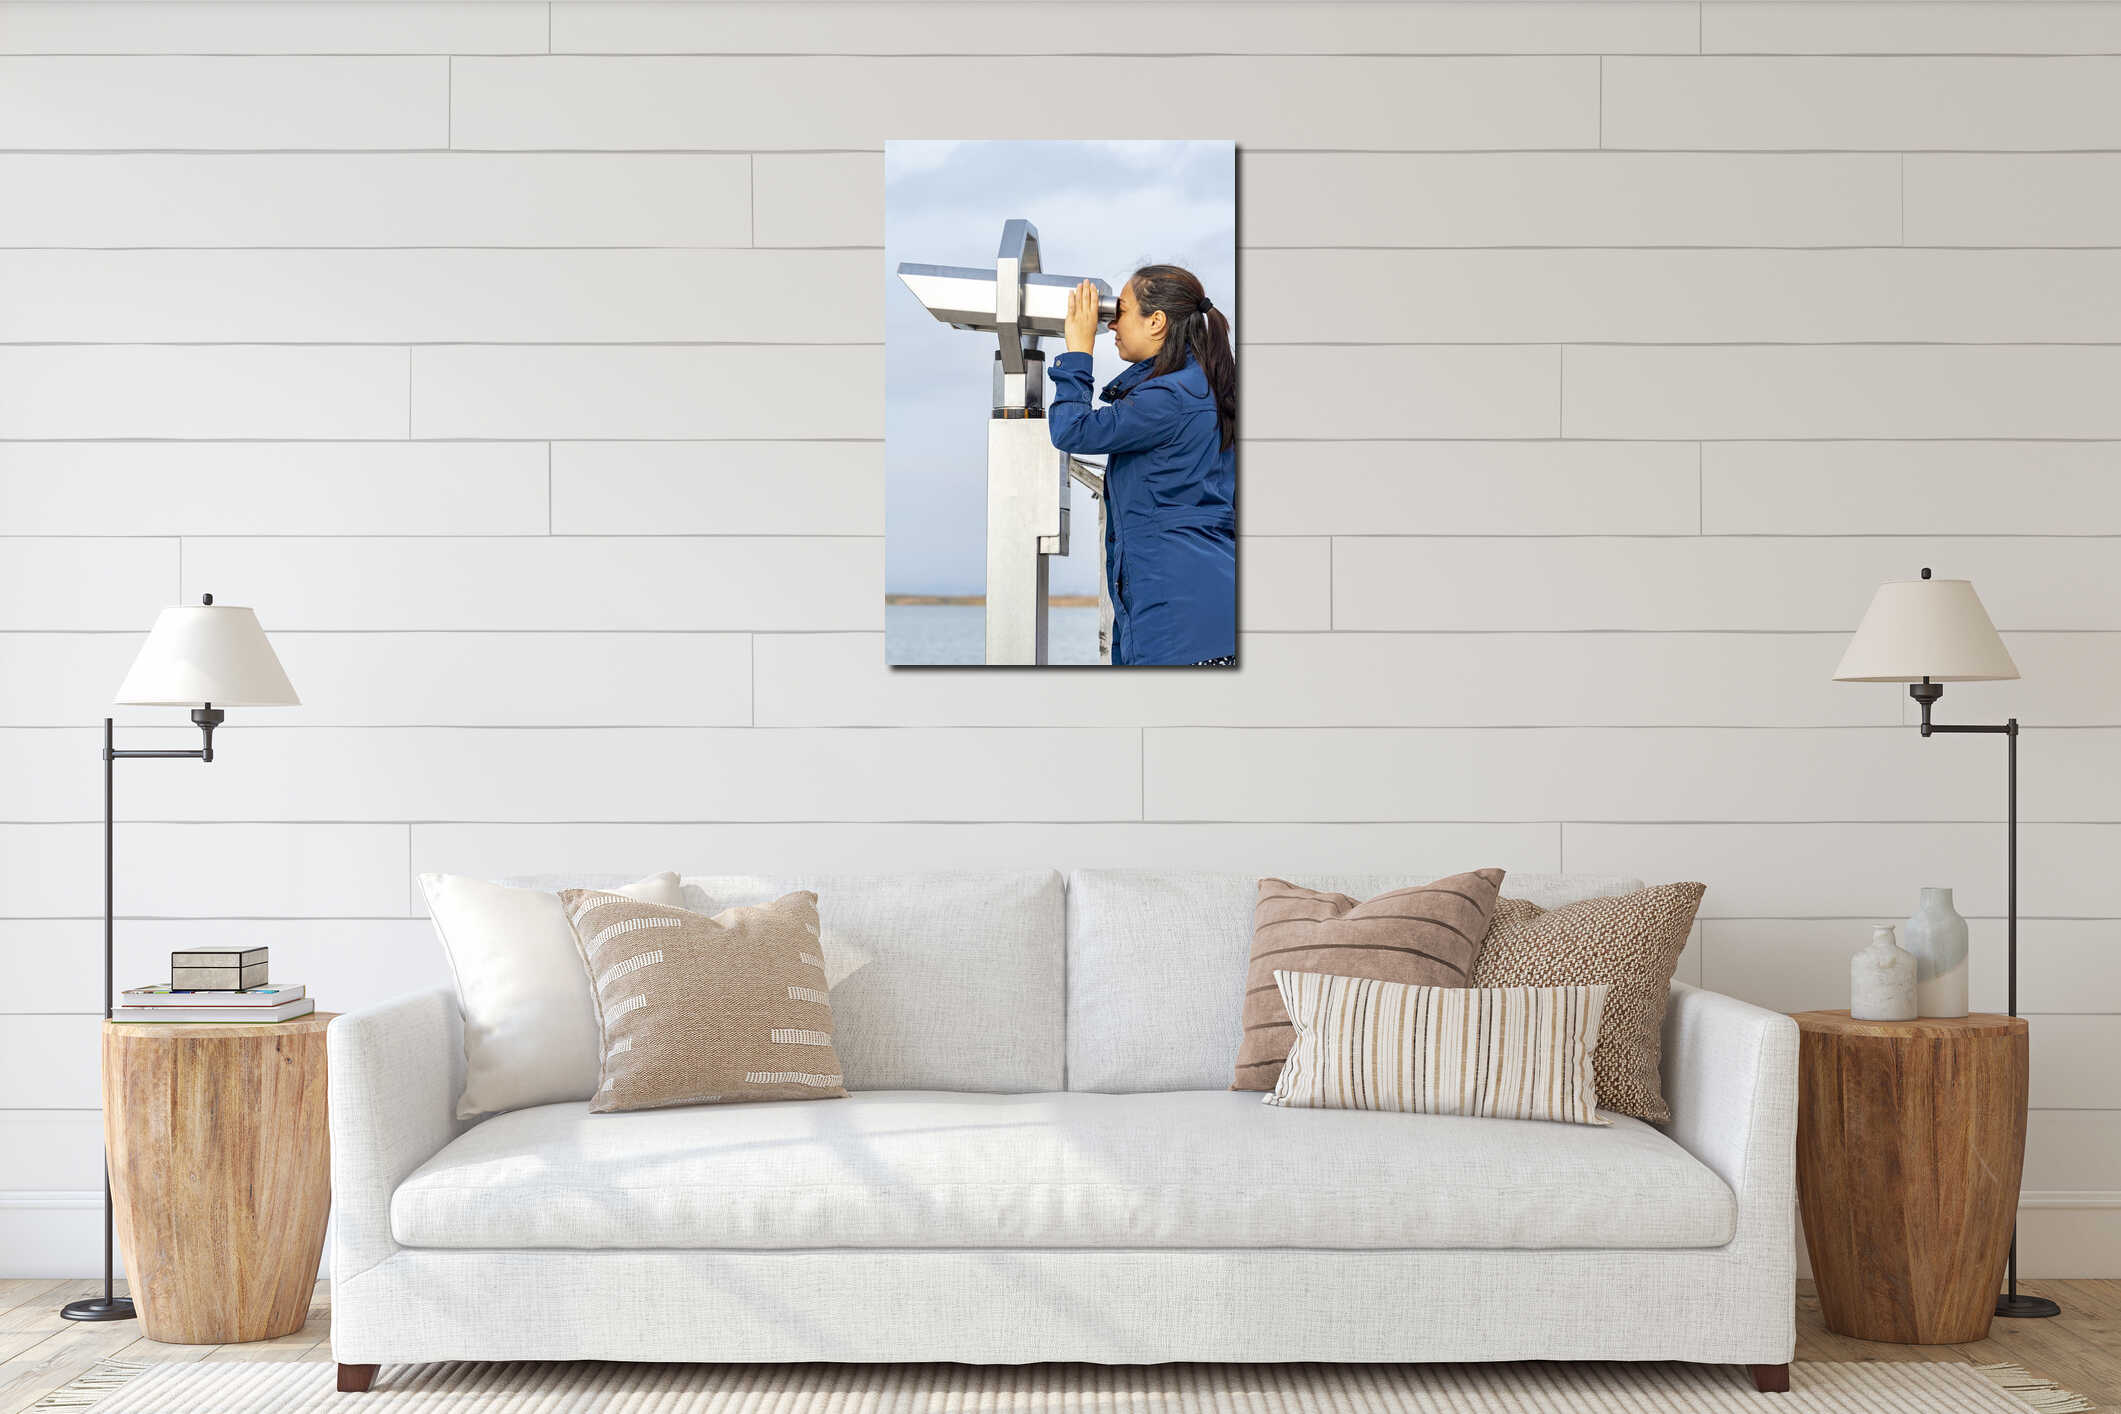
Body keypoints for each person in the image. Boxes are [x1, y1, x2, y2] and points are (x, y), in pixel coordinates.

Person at [1048, 266, 1236, 667]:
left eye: (1122, 311)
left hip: (1176, 621)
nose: (1112, 323)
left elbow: (1073, 431)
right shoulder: (1204, 386)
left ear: (1156, 322)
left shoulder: (1170, 397)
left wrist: (1079, 352)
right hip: (1207, 613)